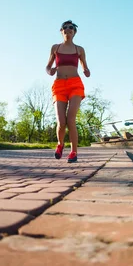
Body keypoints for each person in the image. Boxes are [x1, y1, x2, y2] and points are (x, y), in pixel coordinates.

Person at [46, 20, 90, 163]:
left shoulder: (79, 49)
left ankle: (73, 152)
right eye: (65, 28)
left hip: (75, 84)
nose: (68, 29)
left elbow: (84, 66)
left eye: (71, 28)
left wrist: (86, 70)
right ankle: (60, 144)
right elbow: (47, 66)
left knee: (71, 119)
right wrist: (50, 71)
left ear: (74, 32)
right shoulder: (55, 47)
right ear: (61, 31)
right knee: (61, 121)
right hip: (59, 85)